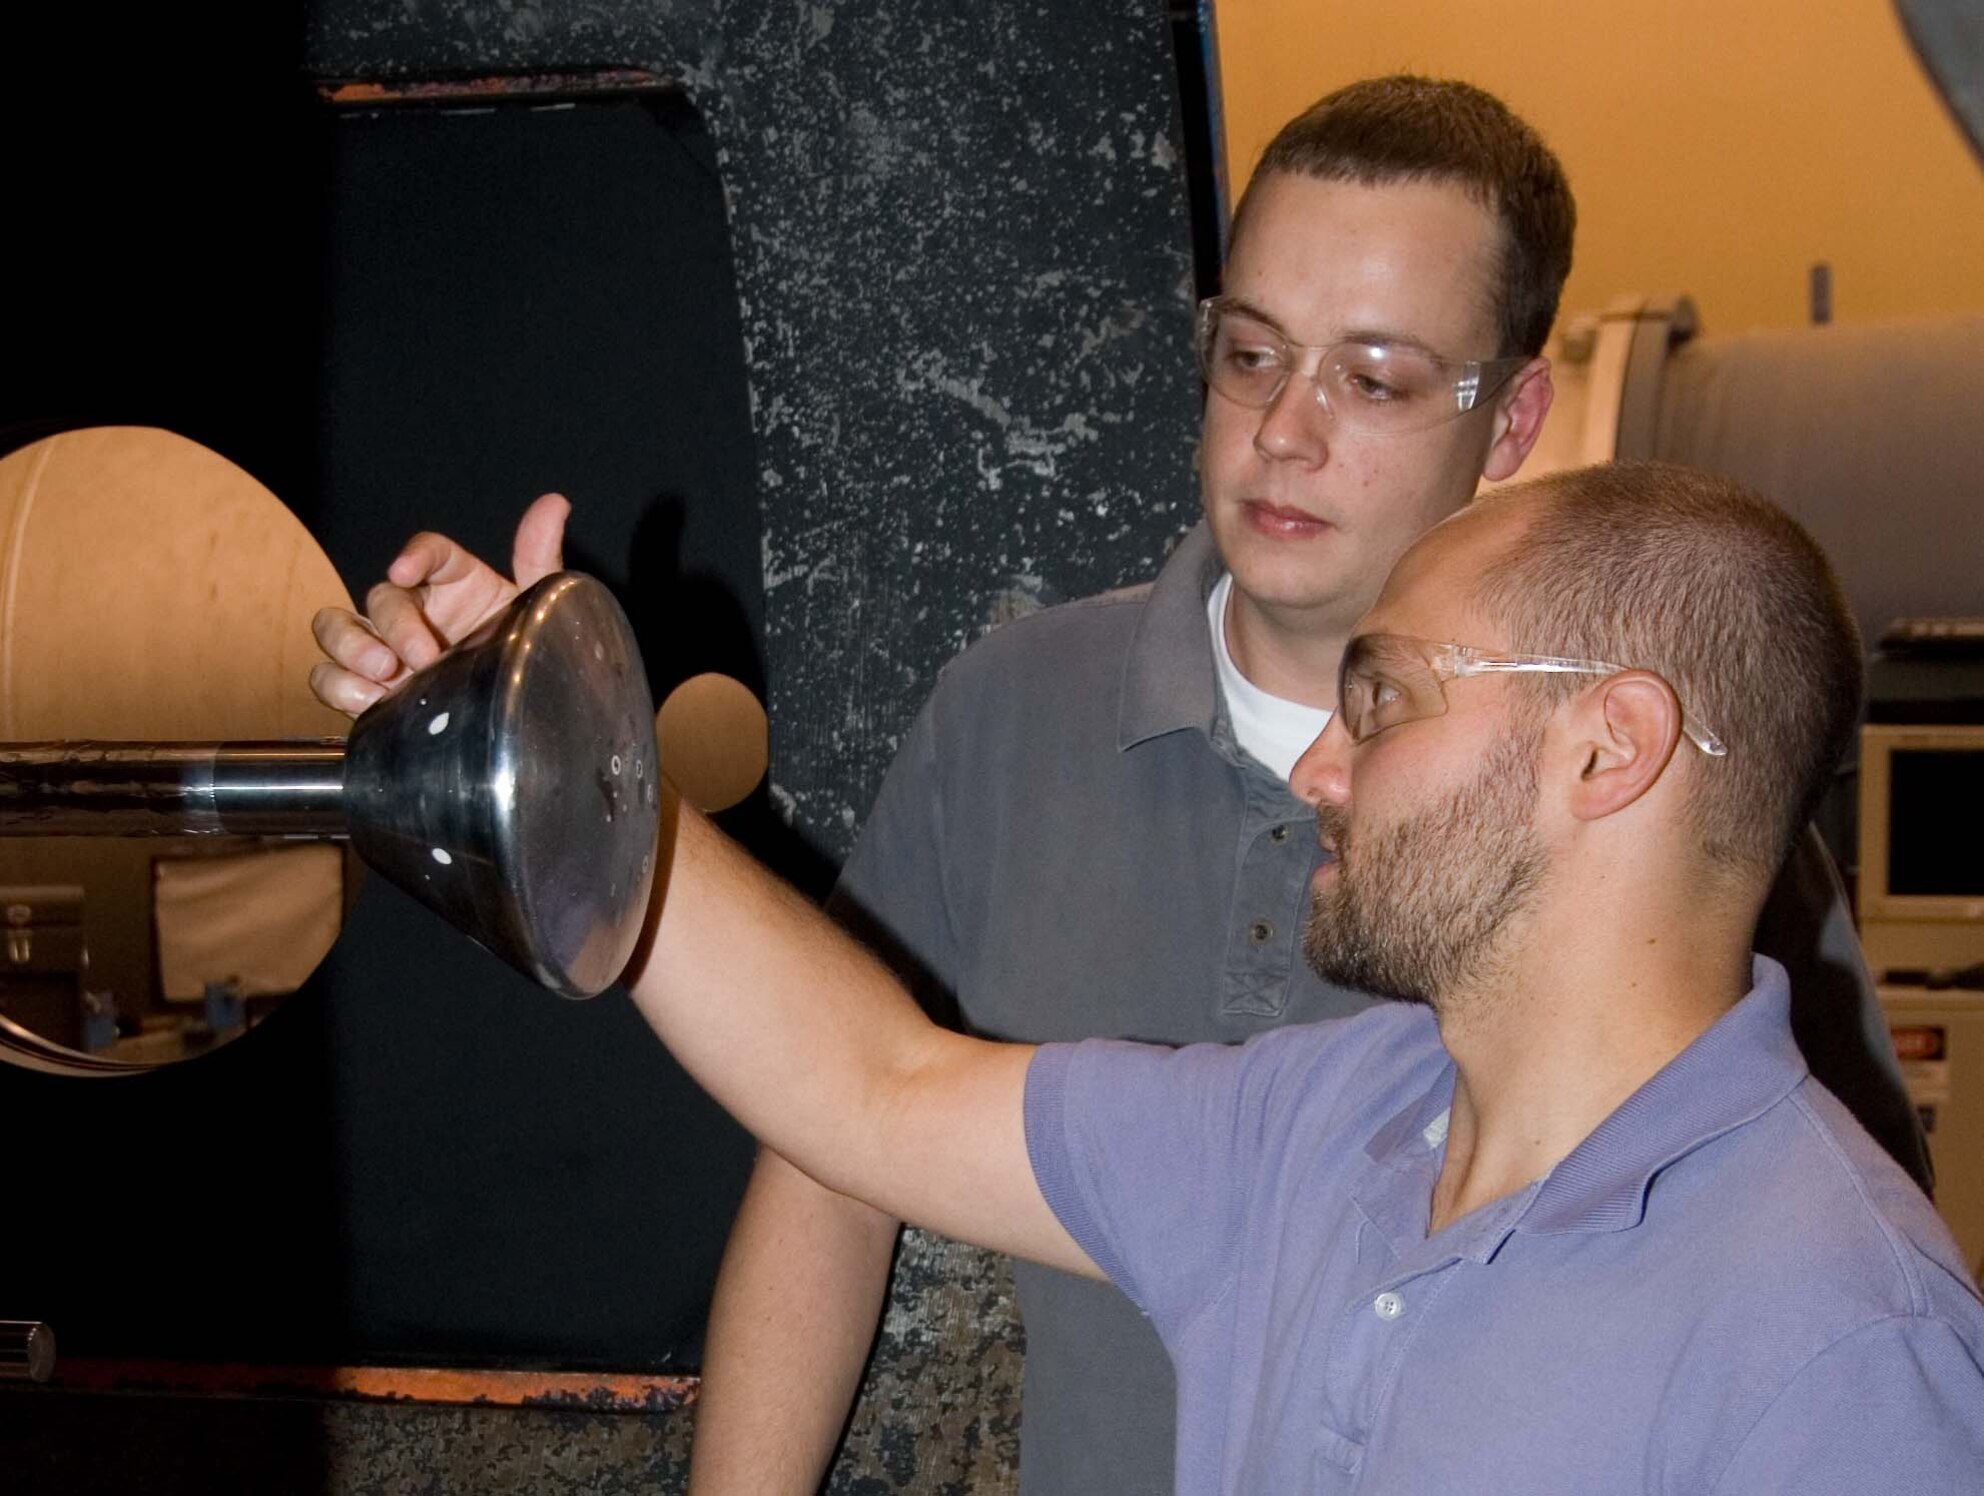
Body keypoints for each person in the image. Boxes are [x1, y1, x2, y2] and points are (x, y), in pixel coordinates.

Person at [312, 78, 1927, 1493]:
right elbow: (865, 1096)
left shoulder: (1832, 1334)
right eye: (1248, 354)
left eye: (1369, 379)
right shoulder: (1326, 1132)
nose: (1285, 431)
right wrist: (562, 752)